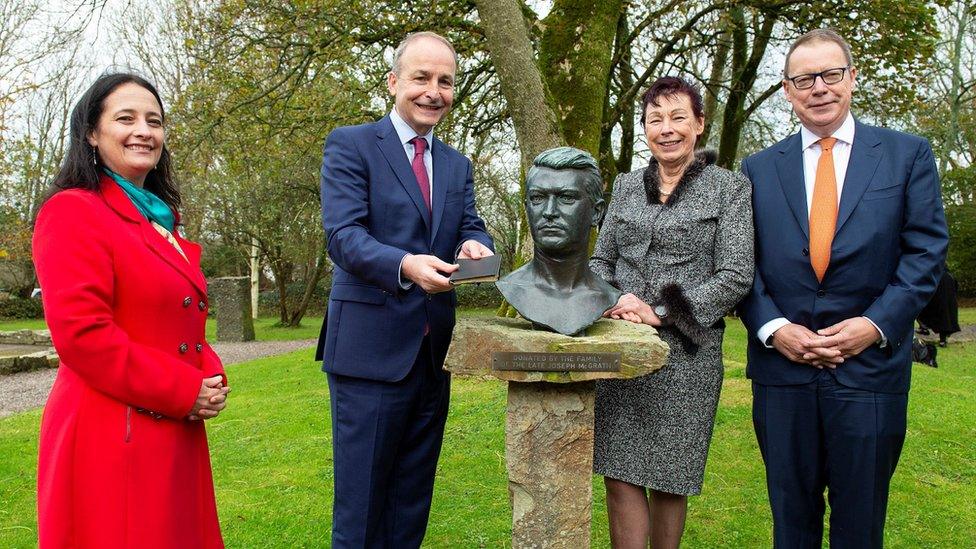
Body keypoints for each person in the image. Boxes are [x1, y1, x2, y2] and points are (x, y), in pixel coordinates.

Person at [739, 29, 949, 548]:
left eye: (831, 74)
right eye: (804, 79)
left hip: (869, 373)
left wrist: (874, 325)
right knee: (792, 521)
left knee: (860, 525)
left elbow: (924, 253)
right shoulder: (758, 169)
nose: (819, 88)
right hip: (782, 376)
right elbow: (740, 265)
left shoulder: (907, 156)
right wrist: (773, 328)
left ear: (852, 79)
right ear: (787, 90)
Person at [32, 72, 229, 548]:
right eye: (126, 119)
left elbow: (177, 318)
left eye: (154, 121)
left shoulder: (156, 216)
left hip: (170, 426)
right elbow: (83, 337)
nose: (144, 130)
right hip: (111, 434)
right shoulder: (72, 211)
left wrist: (209, 374)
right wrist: (185, 389)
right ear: (91, 134)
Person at [315, 31, 494, 548]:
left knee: (410, 505)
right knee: (363, 510)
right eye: (421, 78)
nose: (433, 91)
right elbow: (344, 237)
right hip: (369, 357)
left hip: (432, 355)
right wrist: (406, 265)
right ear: (394, 81)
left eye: (445, 81)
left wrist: (474, 247)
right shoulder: (351, 144)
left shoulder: (458, 164)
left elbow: (470, 226)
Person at [590, 76, 754, 548]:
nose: (667, 128)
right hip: (619, 349)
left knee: (668, 479)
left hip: (684, 356)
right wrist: (615, 300)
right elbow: (601, 261)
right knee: (618, 474)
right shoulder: (623, 187)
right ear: (644, 129)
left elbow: (735, 275)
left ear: (699, 124)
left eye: (678, 116)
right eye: (654, 119)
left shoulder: (729, 189)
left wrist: (660, 312)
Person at [496, 146, 621, 336]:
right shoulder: (512, 288)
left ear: (596, 212)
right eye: (537, 198)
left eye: (566, 198)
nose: (549, 212)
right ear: (527, 208)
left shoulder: (608, 296)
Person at [917, 266, 960, 347]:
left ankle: (924, 327)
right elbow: (956, 288)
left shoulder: (935, 276)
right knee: (946, 321)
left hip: (937, 303)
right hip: (949, 304)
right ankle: (942, 340)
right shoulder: (950, 276)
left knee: (920, 312)